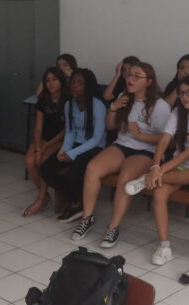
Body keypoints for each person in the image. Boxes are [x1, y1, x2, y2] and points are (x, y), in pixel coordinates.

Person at [71, 62, 171, 248]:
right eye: (129, 75)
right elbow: (110, 126)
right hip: (122, 145)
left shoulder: (160, 105)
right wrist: (114, 109)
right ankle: (87, 218)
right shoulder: (124, 97)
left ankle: (113, 227)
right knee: (92, 168)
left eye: (136, 76)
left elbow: (166, 139)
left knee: (125, 177)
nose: (130, 79)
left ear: (148, 82)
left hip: (145, 150)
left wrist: (142, 135)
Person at [124, 74, 189, 265]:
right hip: (178, 165)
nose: (184, 97)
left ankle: (145, 180)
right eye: (181, 93)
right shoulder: (178, 113)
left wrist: (158, 172)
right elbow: (164, 140)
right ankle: (164, 245)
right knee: (159, 193)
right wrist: (155, 165)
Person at [39, 68, 106, 223]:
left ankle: (78, 204)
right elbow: (70, 133)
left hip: (94, 147)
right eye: (73, 82)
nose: (75, 87)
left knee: (76, 169)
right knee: (46, 169)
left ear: (88, 86)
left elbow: (97, 138)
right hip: (76, 144)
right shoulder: (69, 104)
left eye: (80, 83)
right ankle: (77, 201)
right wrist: (64, 150)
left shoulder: (97, 105)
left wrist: (73, 154)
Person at [23, 67, 69, 217]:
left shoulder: (68, 99)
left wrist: (46, 147)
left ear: (61, 81)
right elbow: (37, 128)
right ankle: (45, 196)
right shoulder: (43, 99)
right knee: (30, 161)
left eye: (54, 79)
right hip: (43, 138)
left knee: (43, 160)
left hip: (61, 139)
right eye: (47, 80)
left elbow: (67, 130)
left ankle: (41, 199)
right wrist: (37, 148)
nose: (51, 83)